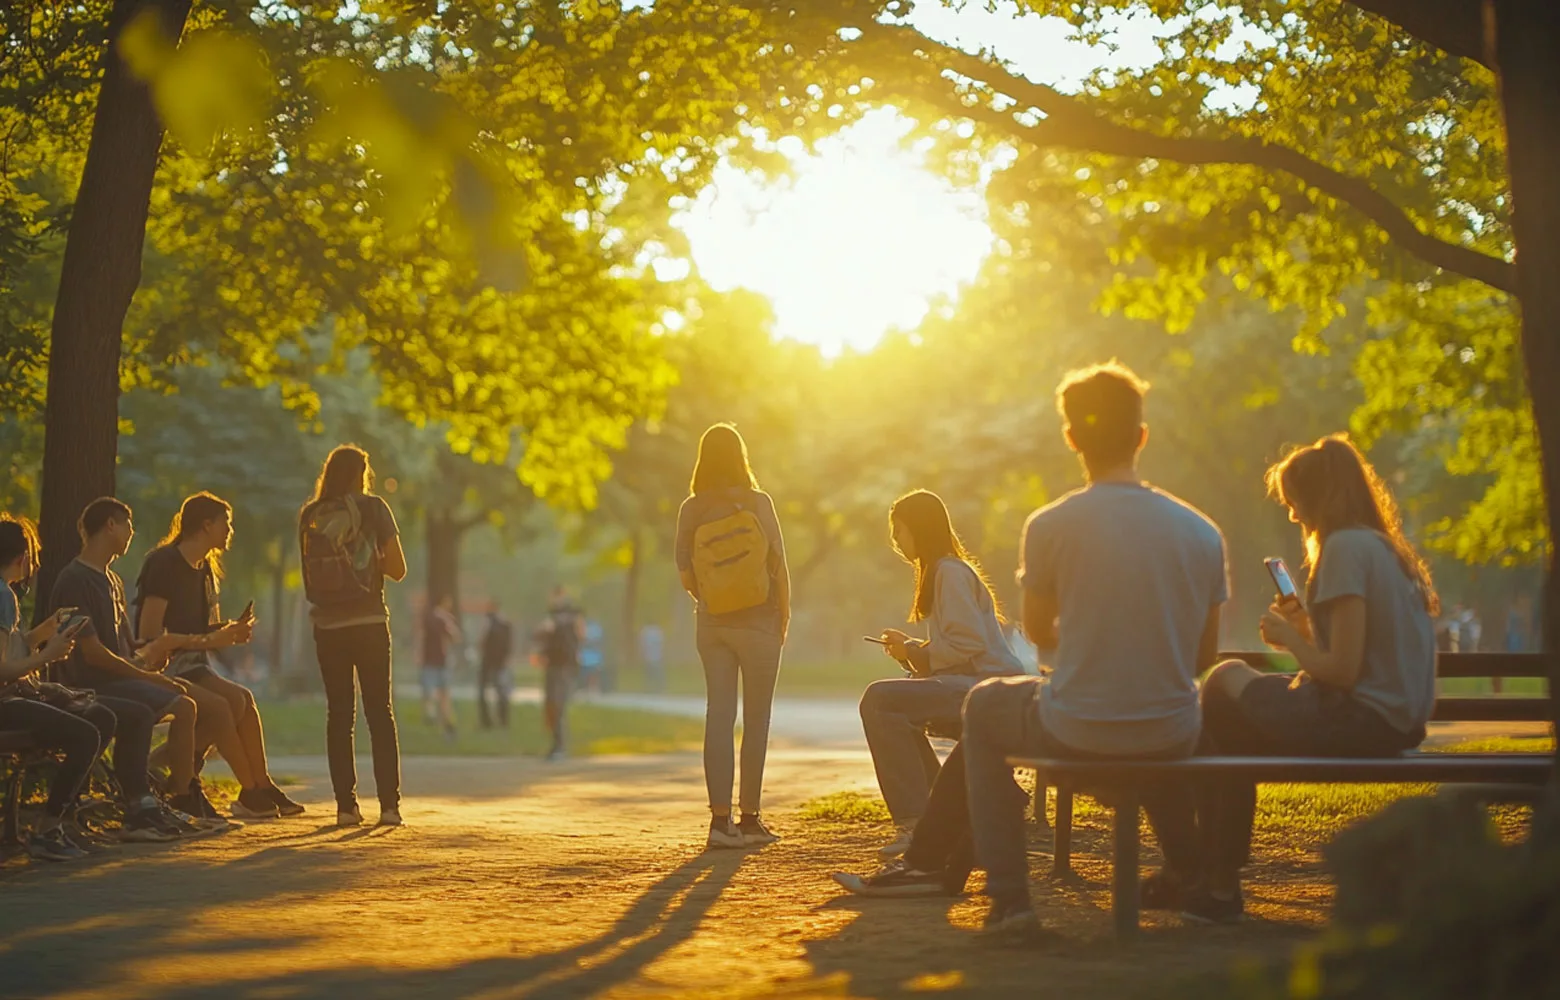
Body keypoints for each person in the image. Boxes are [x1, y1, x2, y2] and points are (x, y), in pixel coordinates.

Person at [961, 362, 1224, 937]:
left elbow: (1036, 631)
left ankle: (1010, 902)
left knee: (982, 706)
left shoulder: (1051, 525)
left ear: (1072, 438)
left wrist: (1088, 645)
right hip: (1170, 731)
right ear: (1142, 436)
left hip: (1075, 725)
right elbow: (1203, 657)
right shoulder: (1201, 532)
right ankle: (1190, 870)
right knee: (1156, 708)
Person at [1192, 433, 1438, 923]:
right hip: (1395, 720)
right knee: (1231, 711)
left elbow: (1341, 673)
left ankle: (1215, 881)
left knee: (1222, 683)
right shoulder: (1382, 548)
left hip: (1362, 720)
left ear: (1315, 498)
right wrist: (1305, 628)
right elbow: (1354, 655)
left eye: (1294, 504)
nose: (1293, 516)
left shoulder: (1344, 549)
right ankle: (1214, 880)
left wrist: (1290, 638)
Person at [861, 490, 1023, 860]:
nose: (896, 541)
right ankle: (941, 820)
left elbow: (968, 644)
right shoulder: (945, 572)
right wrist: (912, 653)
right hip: (978, 683)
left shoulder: (949, 572)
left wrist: (915, 652)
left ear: (919, 529)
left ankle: (918, 825)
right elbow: (958, 647)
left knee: (881, 700)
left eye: (899, 531)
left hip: (988, 690)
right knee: (895, 702)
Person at [45, 499, 215, 838]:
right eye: (128, 525)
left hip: (117, 678)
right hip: (88, 684)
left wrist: (150, 651)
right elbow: (93, 654)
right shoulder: (75, 579)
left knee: (183, 699)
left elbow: (122, 646)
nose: (131, 534)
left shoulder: (112, 581)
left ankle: (172, 799)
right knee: (169, 705)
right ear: (110, 525)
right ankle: (146, 807)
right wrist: (147, 676)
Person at [135, 492, 300, 819]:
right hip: (161, 665)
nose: (230, 531)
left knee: (244, 700)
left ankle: (260, 786)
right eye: (226, 523)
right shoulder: (164, 563)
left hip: (194, 664)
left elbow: (201, 628)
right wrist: (212, 638)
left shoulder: (205, 569)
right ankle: (248, 789)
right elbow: (150, 635)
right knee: (223, 707)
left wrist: (229, 630)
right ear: (205, 525)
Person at [674, 423, 791, 849]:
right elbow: (778, 564)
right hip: (760, 622)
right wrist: (782, 616)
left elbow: (685, 573)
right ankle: (751, 818)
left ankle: (719, 823)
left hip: (712, 625)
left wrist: (713, 599)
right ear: (742, 456)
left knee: (719, 716)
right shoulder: (758, 503)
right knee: (756, 720)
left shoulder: (691, 508)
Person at [299, 444, 408, 828]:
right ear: (363, 473)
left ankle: (346, 807)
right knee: (380, 712)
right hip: (369, 623)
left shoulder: (311, 515)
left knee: (339, 714)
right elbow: (398, 569)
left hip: (328, 627)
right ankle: (389, 808)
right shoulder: (375, 509)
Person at [536, 586, 584, 760]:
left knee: (558, 704)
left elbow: (580, 635)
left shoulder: (569, 616)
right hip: (554, 665)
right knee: (551, 704)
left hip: (564, 666)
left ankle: (560, 746)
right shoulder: (553, 617)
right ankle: (556, 744)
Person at [418, 595, 461, 739]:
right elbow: (455, 637)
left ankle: (430, 714)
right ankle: (448, 724)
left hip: (428, 660)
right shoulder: (444, 618)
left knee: (428, 693)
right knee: (444, 695)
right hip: (442, 661)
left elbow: (420, 636)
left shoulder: (427, 617)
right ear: (444, 602)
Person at [476, 601, 513, 729]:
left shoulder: (488, 623)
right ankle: (503, 720)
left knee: (483, 691)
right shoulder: (506, 624)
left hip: (488, 662)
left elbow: (481, 641)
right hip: (501, 662)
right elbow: (509, 645)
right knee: (502, 692)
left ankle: (486, 721)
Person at [639, 623, 666, 693]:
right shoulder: (658, 632)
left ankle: (650, 687)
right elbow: (662, 644)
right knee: (656, 673)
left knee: (650, 673)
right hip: (657, 656)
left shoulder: (645, 632)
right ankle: (658, 687)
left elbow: (642, 645)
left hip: (649, 656)